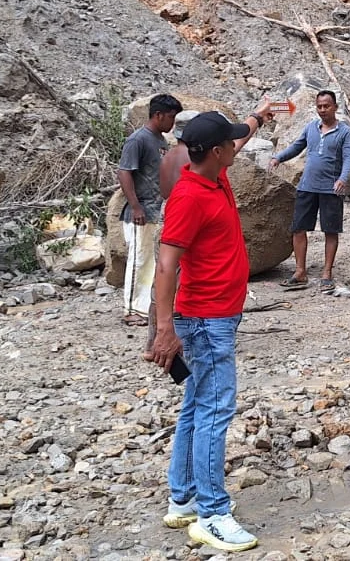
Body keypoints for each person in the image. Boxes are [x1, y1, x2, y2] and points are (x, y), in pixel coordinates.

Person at [148, 103, 273, 553]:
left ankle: (182, 499)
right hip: (204, 319)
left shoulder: (214, 173)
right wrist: (165, 329)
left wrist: (258, 116)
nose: (236, 147)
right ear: (215, 152)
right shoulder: (190, 197)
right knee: (215, 410)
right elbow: (166, 267)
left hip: (213, 315)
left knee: (197, 405)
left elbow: (237, 137)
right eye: (231, 144)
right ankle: (212, 513)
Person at [269, 90, 350, 293]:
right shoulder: (311, 128)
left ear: (335, 107)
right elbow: (297, 146)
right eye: (319, 106)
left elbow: (349, 157)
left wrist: (343, 179)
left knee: (330, 230)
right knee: (298, 228)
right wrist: (278, 158)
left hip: (331, 189)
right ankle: (300, 272)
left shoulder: (344, 132)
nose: (323, 110)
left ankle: (327, 273)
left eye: (326, 106)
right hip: (307, 186)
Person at [136, 109, 197, 360]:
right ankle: (178, 343)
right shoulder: (193, 158)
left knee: (159, 285)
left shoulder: (168, 155)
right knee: (182, 285)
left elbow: (163, 190)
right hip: (182, 224)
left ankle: (151, 344)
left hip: (165, 217)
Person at [118, 94, 182, 325]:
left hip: (157, 209)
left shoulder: (159, 140)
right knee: (139, 259)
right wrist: (135, 206)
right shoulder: (139, 140)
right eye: (171, 117)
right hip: (141, 210)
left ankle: (146, 307)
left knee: (152, 262)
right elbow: (124, 172)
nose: (172, 123)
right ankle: (130, 309)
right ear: (158, 115)